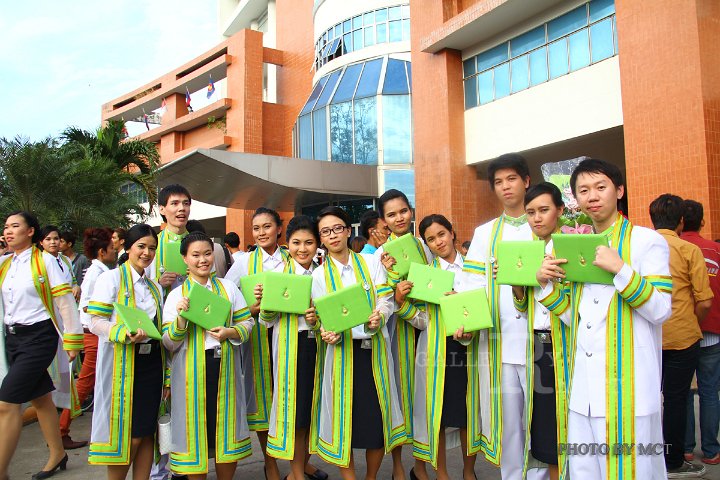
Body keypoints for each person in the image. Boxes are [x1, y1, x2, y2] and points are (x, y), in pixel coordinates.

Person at [538, 158, 672, 479]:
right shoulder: (573, 247)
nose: (592, 196)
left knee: (634, 471)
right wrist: (546, 284)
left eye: (601, 187)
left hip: (629, 389)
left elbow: (661, 309)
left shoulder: (645, 241)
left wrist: (621, 269)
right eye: (583, 190)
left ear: (619, 190)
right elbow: (577, 319)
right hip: (582, 391)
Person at [309, 206, 405, 479]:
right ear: (321, 239)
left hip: (372, 353)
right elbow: (322, 318)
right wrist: (327, 332)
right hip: (341, 356)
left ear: (348, 231)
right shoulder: (318, 276)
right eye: (325, 231)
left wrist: (381, 315)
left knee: (374, 423)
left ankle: (370, 476)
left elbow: (385, 299)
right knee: (344, 424)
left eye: (337, 228)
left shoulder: (370, 262)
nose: (333, 235)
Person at [463, 153, 537, 479]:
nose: (505, 187)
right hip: (500, 343)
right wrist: (464, 320)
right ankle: (512, 475)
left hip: (540, 341)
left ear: (526, 181)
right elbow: (471, 285)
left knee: (541, 417)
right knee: (508, 421)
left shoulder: (545, 228)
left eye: (511, 179)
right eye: (498, 182)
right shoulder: (485, 233)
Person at [162, 232, 254, 479]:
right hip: (191, 374)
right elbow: (168, 342)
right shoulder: (176, 295)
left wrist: (230, 331)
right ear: (184, 259)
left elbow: (248, 324)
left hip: (224, 368)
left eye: (207, 253)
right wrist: (181, 319)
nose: (203, 260)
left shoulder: (228, 288)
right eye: (195, 255)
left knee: (225, 432)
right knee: (195, 434)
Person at [0, 211, 83, 480]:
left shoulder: (46, 261)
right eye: (6, 227)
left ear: (31, 231)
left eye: (15, 226)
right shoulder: (5, 264)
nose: (8, 231)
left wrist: (72, 341)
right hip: (12, 338)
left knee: (7, 404)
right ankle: (57, 453)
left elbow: (64, 302)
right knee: (41, 398)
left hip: (39, 338)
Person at [87, 224, 165, 480]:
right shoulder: (111, 279)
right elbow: (95, 321)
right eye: (141, 246)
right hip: (124, 365)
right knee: (126, 437)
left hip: (152, 364)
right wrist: (122, 333)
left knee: (145, 432)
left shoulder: (155, 287)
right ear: (128, 247)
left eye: (152, 248)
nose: (147, 253)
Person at [511, 182, 574, 480]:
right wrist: (517, 284)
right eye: (530, 212)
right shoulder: (529, 251)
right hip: (538, 345)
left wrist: (545, 283)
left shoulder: (573, 249)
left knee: (570, 417)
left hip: (568, 346)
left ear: (560, 210)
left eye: (544, 210)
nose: (536, 218)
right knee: (546, 421)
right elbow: (523, 308)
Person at [411, 214, 481, 480]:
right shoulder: (427, 276)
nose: (438, 242)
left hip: (473, 349)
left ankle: (469, 471)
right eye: (431, 239)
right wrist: (405, 304)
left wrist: (462, 303)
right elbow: (421, 320)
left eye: (441, 234)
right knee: (437, 413)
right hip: (437, 351)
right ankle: (442, 474)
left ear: (452, 233)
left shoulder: (475, 268)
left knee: (467, 413)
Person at [649, 194, 713, 477]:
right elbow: (705, 300)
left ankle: (647, 458)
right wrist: (692, 324)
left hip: (648, 337)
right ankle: (673, 460)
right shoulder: (688, 249)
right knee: (677, 399)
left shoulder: (641, 248)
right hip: (682, 336)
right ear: (682, 221)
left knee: (648, 399)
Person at [260, 216, 328, 480]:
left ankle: (301, 467)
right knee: (296, 414)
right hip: (293, 350)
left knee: (314, 411)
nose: (303, 249)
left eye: (309, 243)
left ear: (317, 244)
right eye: (296, 243)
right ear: (287, 244)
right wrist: (267, 303)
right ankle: (296, 472)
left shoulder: (324, 274)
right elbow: (265, 321)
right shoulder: (279, 277)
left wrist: (317, 319)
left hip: (321, 349)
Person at [225, 207, 290, 480]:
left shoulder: (291, 256)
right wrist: (250, 308)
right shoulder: (243, 262)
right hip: (259, 341)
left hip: (289, 334)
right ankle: (271, 463)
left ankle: (300, 462)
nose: (261, 232)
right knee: (266, 399)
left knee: (291, 397)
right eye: (256, 228)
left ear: (279, 229)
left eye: (267, 226)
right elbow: (227, 297)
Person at [376, 189, 431, 480]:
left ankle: (420, 465)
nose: (399, 218)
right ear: (384, 220)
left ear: (411, 210)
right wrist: (395, 293)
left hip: (427, 329)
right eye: (392, 214)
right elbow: (378, 296)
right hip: (397, 333)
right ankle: (398, 466)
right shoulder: (380, 255)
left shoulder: (426, 245)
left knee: (423, 399)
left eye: (403, 211)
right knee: (398, 396)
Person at [58, 228, 117, 450]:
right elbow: (87, 307)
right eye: (111, 249)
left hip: (94, 333)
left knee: (92, 383)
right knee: (85, 384)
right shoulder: (99, 273)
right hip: (94, 334)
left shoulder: (98, 270)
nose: (114, 251)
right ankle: (61, 430)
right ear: (102, 252)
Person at [681, 199, 720, 465]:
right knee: (709, 391)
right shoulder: (716, 250)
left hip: (682, 332)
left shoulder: (670, 248)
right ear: (703, 221)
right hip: (713, 332)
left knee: (682, 392)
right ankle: (711, 451)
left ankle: (685, 447)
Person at [148, 184, 192, 292]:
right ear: (162, 209)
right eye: (174, 203)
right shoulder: (153, 245)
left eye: (186, 203)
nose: (182, 208)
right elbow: (139, 284)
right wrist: (158, 283)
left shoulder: (199, 244)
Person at [39, 225, 81, 301]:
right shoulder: (39, 261)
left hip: (68, 303)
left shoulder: (66, 260)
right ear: (41, 242)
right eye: (48, 239)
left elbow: (73, 282)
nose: (53, 242)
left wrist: (76, 287)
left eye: (56, 239)